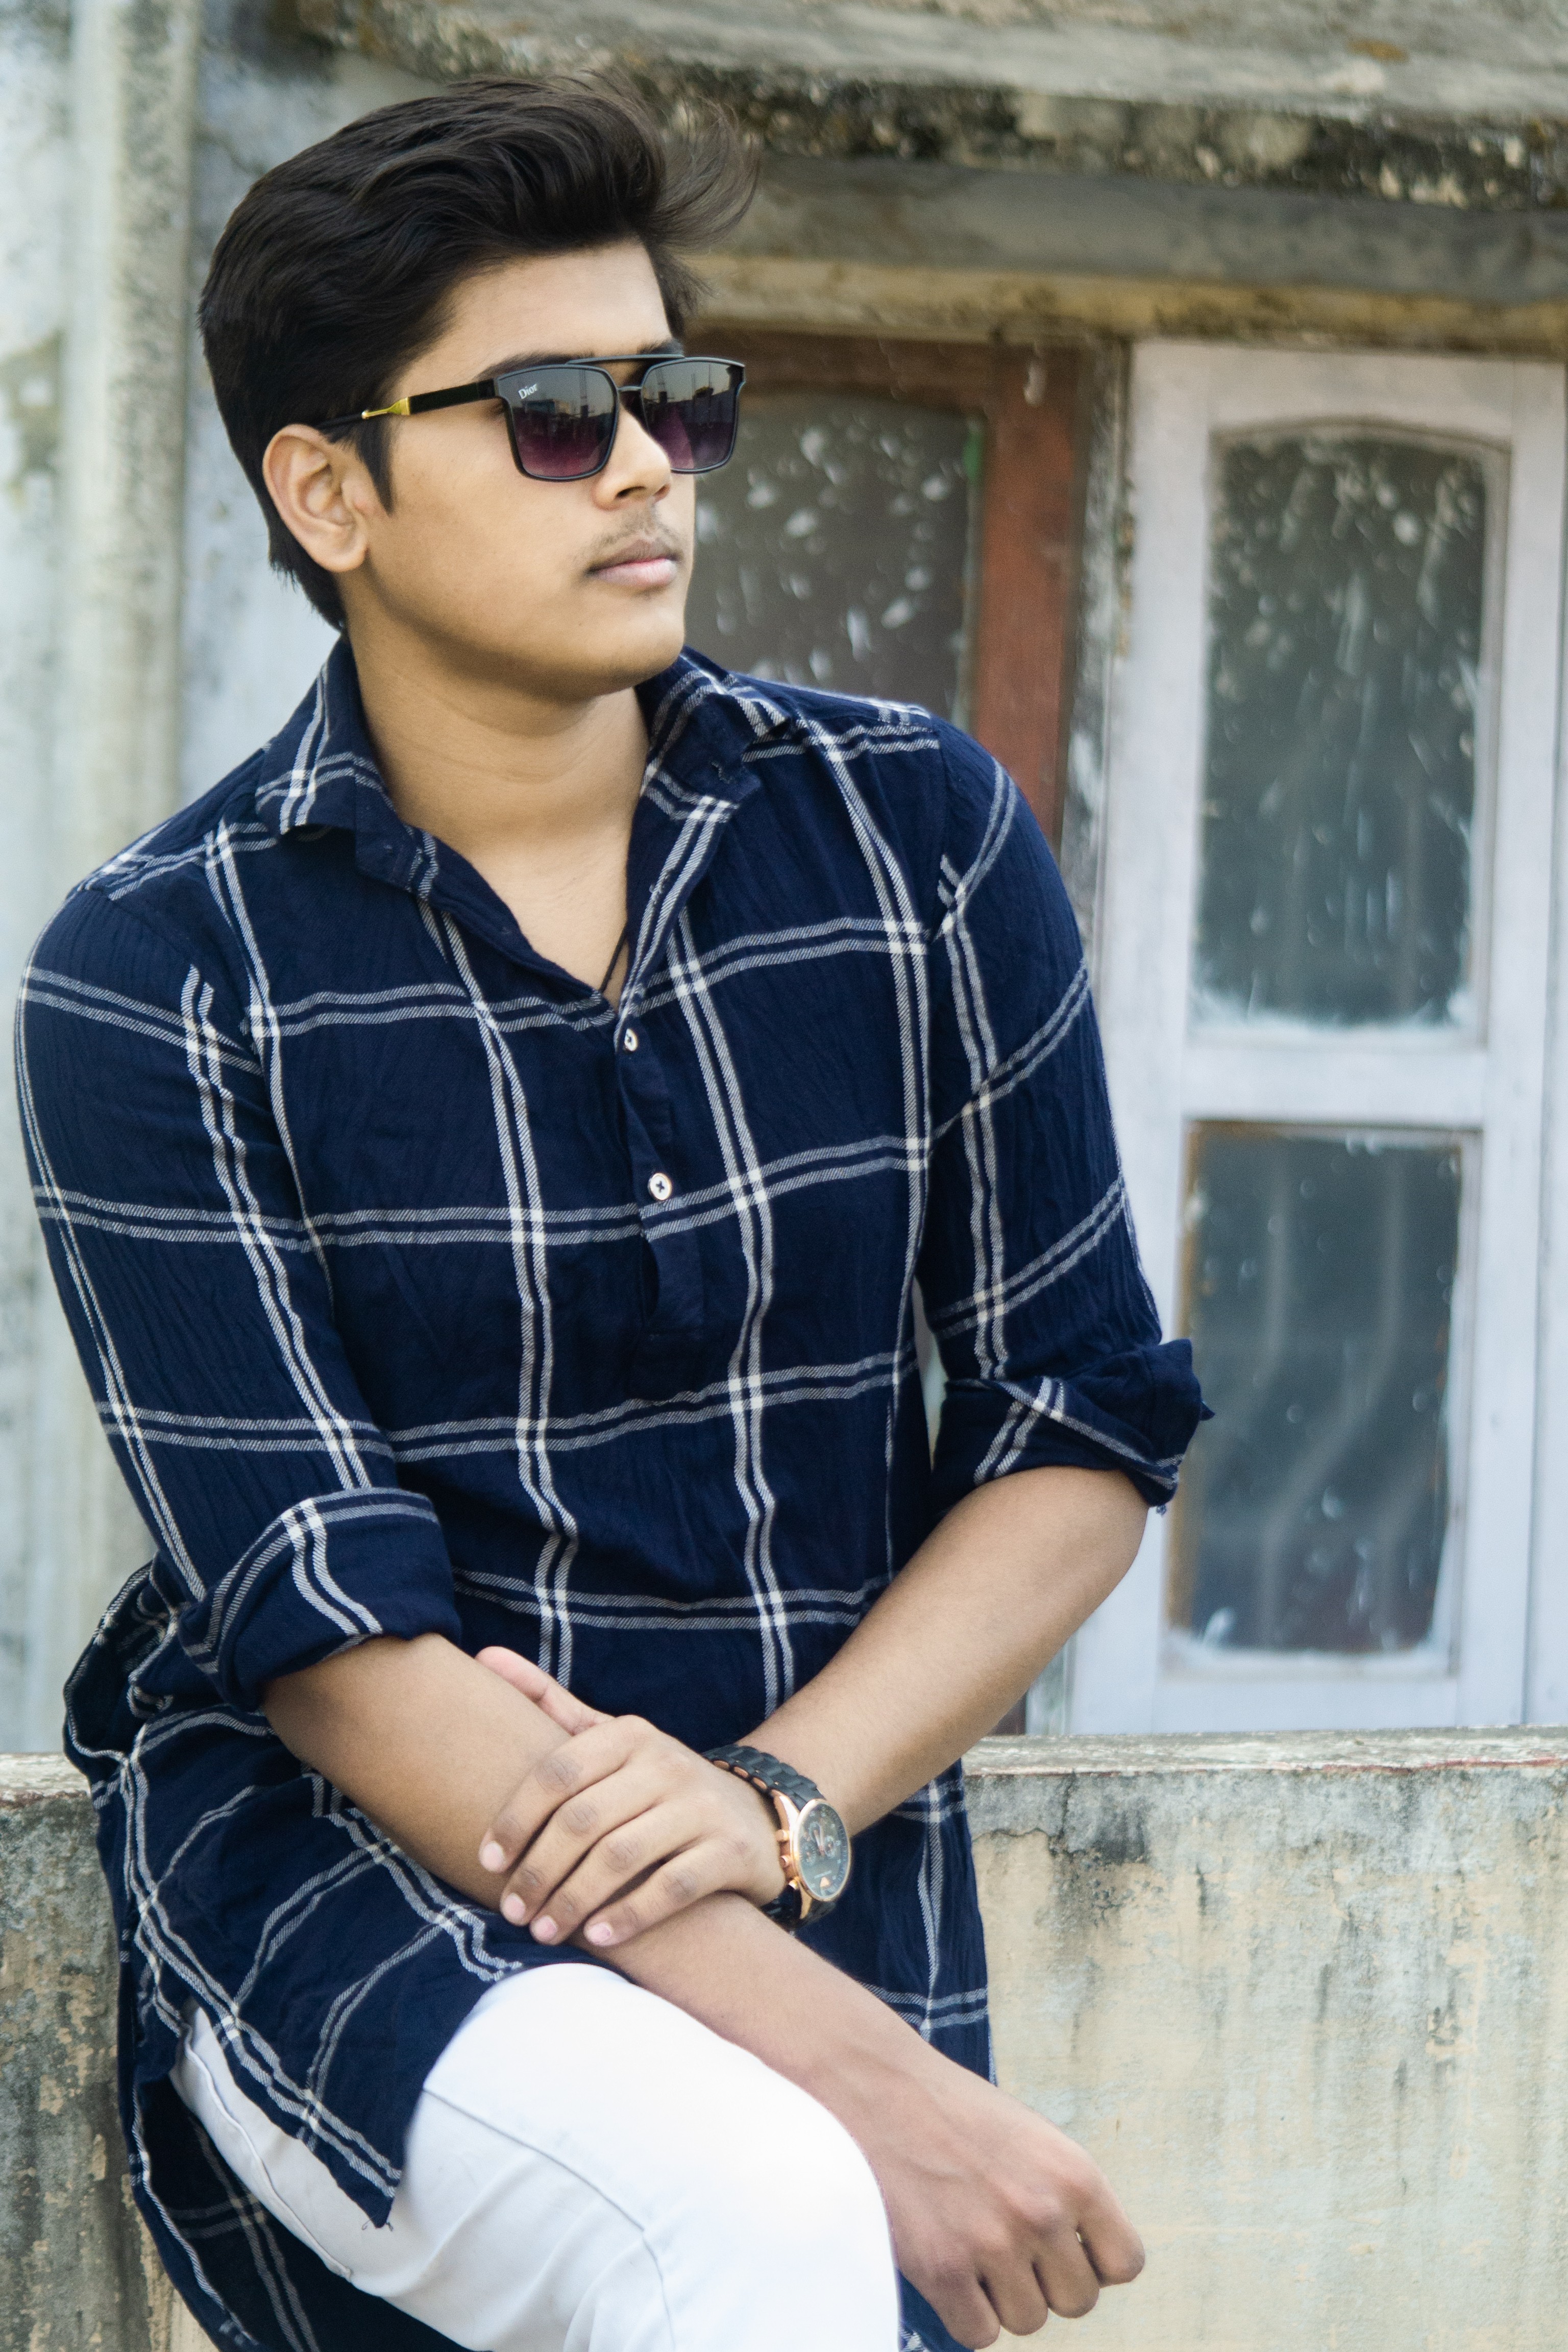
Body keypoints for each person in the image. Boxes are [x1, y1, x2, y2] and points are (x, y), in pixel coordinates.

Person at [19, 74, 1206, 2352]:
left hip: (810, 1847)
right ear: (329, 490)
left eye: (679, 398)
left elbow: (1077, 1423)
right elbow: (325, 1627)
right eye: (560, 415)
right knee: (753, 2205)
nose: (652, 464)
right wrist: (883, 2093)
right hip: (366, 1903)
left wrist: (775, 1806)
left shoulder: (917, 841)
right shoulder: (162, 972)